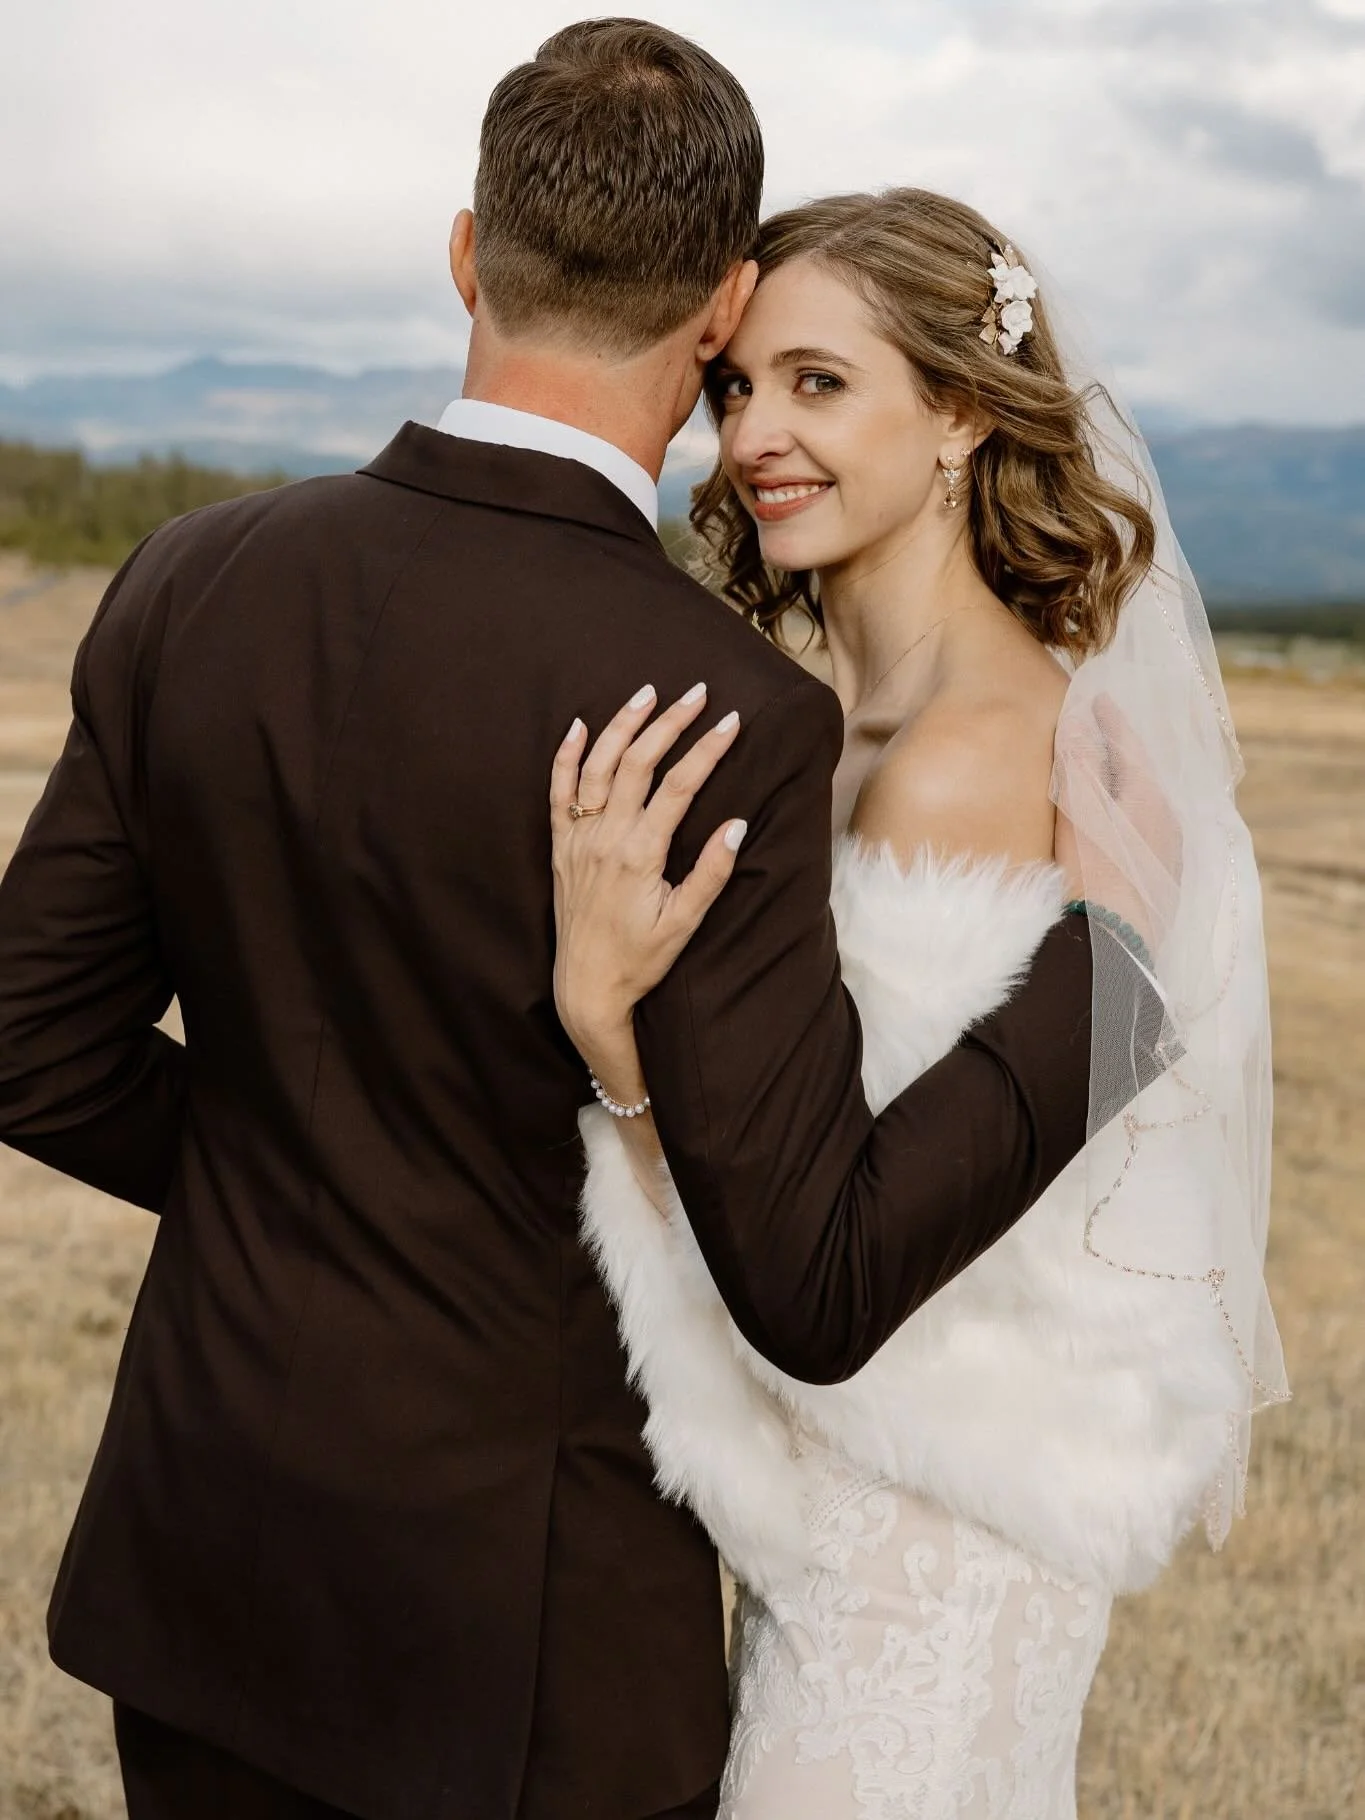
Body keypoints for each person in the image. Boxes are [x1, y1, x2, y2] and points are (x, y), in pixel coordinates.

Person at [0, 25, 1155, 1820]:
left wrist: (278, 1172)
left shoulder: (190, 578)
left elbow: (29, 1047)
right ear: (718, 311)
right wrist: (1124, 986)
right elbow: (818, 1280)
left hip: (205, 1574)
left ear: (468, 251)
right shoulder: (722, 714)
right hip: (522, 1662)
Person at [550, 189, 1285, 1818]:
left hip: (915, 1567)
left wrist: (613, 1044)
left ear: (957, 411)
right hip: (855, 1540)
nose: (755, 436)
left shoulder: (964, 755)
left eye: (821, 384)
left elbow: (827, 1263)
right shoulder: (861, 725)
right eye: (738, 387)